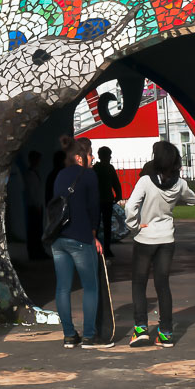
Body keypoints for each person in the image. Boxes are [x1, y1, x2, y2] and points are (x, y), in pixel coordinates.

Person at [123, 141, 195, 348]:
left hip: (145, 238)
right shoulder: (179, 183)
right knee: (162, 285)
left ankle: (141, 330)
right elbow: (192, 200)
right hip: (166, 238)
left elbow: (130, 207)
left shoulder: (146, 181)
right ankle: (165, 333)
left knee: (139, 283)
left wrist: (134, 226)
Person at [51, 139, 111, 348]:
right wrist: (94, 235)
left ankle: (69, 335)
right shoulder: (88, 175)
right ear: (79, 157)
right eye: (89, 154)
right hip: (80, 238)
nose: (92, 157)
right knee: (90, 287)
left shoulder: (60, 175)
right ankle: (89, 335)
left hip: (58, 239)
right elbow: (94, 208)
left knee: (62, 288)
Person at [92, 146, 123, 259]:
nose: (110, 157)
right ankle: (107, 248)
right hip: (107, 200)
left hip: (97, 200)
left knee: (95, 224)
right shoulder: (109, 168)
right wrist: (118, 195)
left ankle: (95, 246)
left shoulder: (95, 168)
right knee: (106, 225)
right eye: (109, 155)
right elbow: (116, 183)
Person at [23, 150, 47, 260]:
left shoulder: (34, 173)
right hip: (34, 206)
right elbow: (32, 192)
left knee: (37, 229)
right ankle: (34, 252)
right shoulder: (30, 174)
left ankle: (37, 251)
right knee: (35, 230)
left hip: (37, 205)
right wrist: (36, 204)